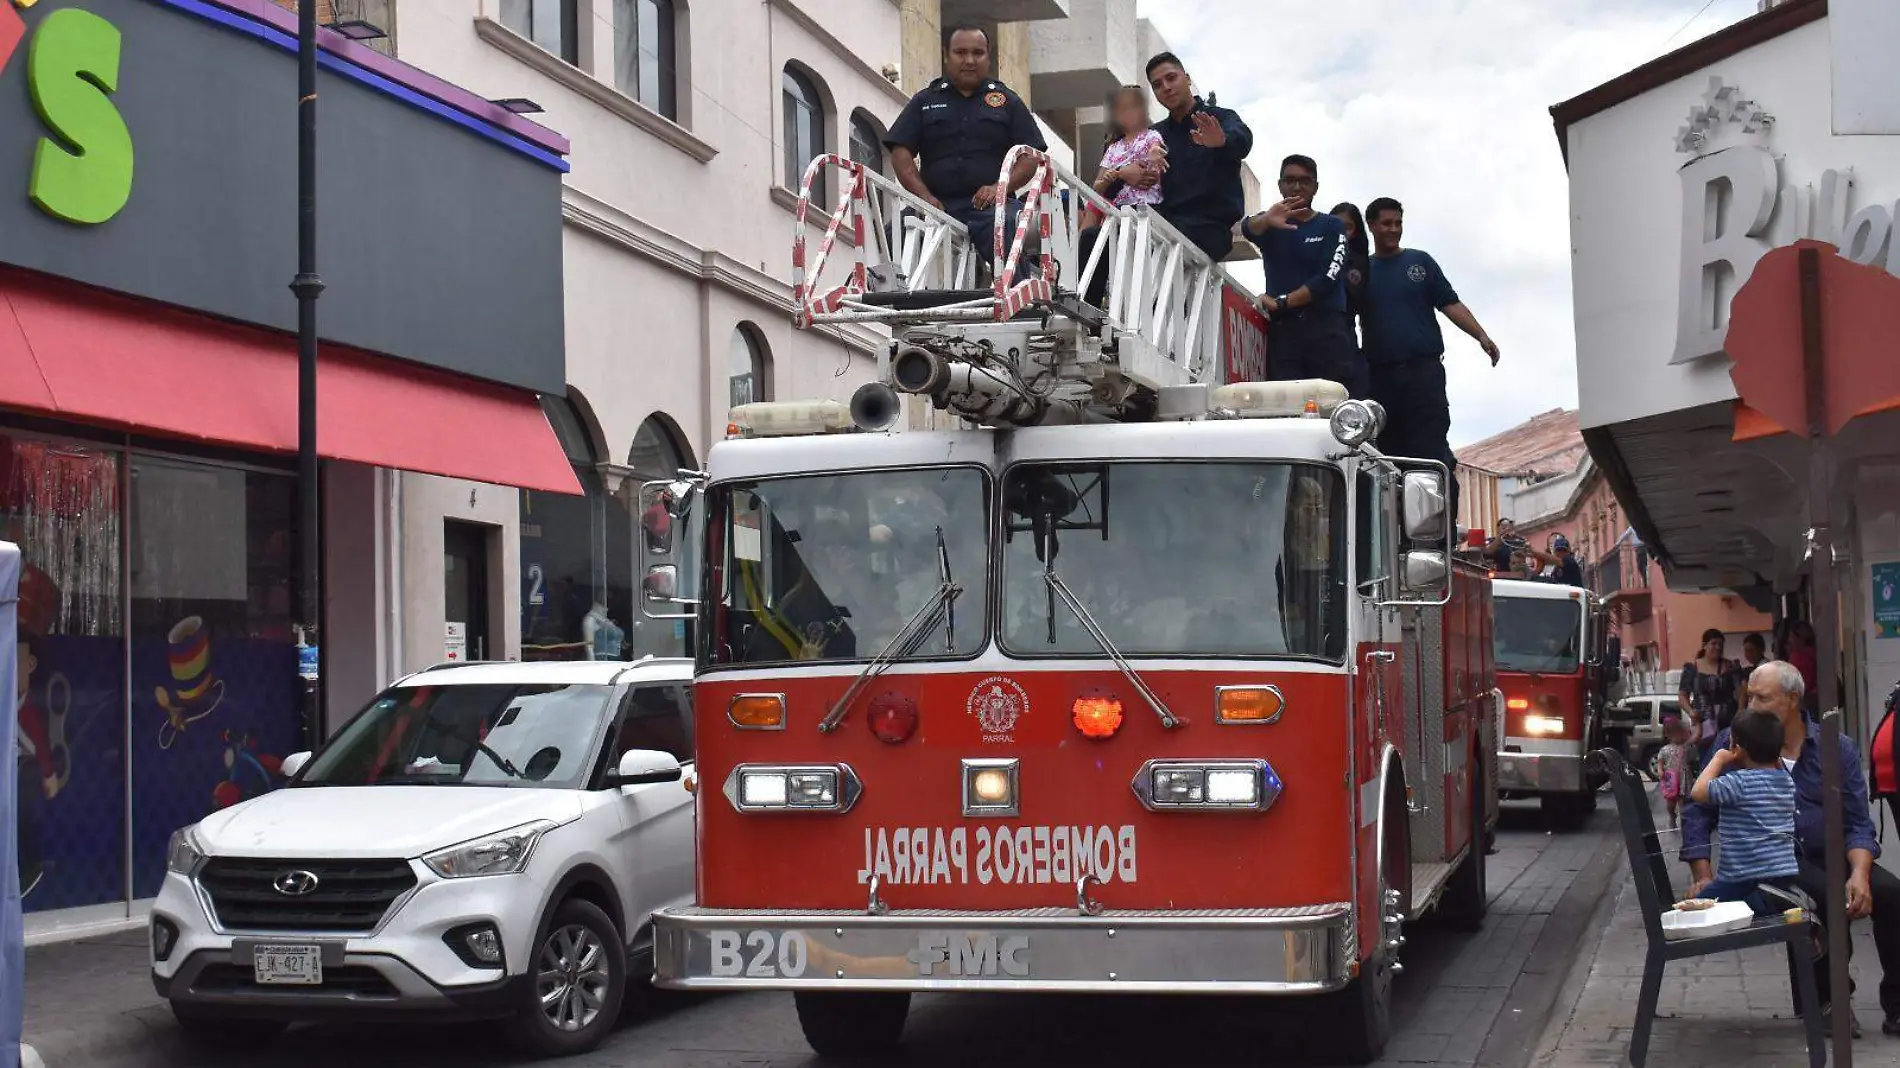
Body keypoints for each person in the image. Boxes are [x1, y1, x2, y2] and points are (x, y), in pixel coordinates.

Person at [1683, 661, 1897, 1036]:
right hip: (1776, 860)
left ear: (1793, 699)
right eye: (1749, 696)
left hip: (1833, 853)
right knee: (1824, 895)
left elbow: (1858, 823)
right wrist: (1703, 873)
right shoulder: (1737, 742)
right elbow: (1698, 810)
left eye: (1761, 697)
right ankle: (1830, 1003)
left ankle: (1897, 1006)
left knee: (1891, 894)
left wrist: (1860, 874)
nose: (1750, 705)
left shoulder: (1836, 748)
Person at [1361, 197, 1499, 517]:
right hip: (1380, 378)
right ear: (1372, 226)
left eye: (1398, 223)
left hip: (1424, 374)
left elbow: (1450, 304)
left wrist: (1481, 335)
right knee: (1390, 458)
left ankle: (1442, 532)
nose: (1394, 229)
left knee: (1431, 452)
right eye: (1386, 223)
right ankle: (1397, 531)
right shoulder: (1362, 271)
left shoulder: (1420, 263)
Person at [885, 25, 1046, 266]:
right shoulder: (925, 100)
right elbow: (900, 152)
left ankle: (1016, 299)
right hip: (937, 204)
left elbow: (1031, 156)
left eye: (977, 53)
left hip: (992, 206)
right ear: (946, 55)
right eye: (960, 52)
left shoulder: (1007, 101)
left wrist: (998, 188)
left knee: (1003, 230)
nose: (969, 60)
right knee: (890, 235)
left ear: (988, 56)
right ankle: (886, 300)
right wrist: (924, 197)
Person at [1245, 156, 1365, 398]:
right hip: (1284, 332)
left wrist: (1282, 301)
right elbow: (1243, 229)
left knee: (1330, 409)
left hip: (1326, 331)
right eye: (1289, 180)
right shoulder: (1270, 223)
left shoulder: (1332, 226)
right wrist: (1267, 219)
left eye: (1304, 181)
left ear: (1315, 186)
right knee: (1286, 408)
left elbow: (1327, 277)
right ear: (1280, 185)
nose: (1297, 187)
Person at [1135, 52, 1254, 264]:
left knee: (1154, 233)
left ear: (1187, 79)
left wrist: (1222, 141)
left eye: (1171, 78)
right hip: (1163, 224)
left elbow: (1243, 140)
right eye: (1157, 85)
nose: (1166, 87)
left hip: (1210, 229)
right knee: (1098, 234)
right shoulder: (1154, 135)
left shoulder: (1219, 118)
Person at [1688, 709, 1800, 915]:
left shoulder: (1738, 783)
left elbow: (1698, 792)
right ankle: (1773, 897)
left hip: (1742, 876)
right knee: (1742, 894)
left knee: (1698, 906)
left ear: (1737, 749)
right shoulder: (1785, 780)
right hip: (1783, 871)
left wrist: (1719, 759)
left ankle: (1761, 901)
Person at [1076, 85, 1169, 309]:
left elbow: (1157, 149)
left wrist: (1156, 154)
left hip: (1146, 212)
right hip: (1117, 215)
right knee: (1090, 237)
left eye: (1134, 107)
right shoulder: (1113, 149)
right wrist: (1115, 176)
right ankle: (1088, 303)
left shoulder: (1151, 136)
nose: (1128, 113)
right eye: (1122, 109)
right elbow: (1096, 188)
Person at [1678, 629, 1736, 764]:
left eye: (1721, 644)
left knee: (1729, 761)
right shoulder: (1692, 668)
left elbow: (1741, 691)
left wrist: (1740, 713)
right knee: (1707, 761)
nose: (1718, 647)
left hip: (1728, 722)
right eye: (1714, 643)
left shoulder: (1730, 667)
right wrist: (1691, 712)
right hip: (1704, 725)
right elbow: (1682, 696)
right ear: (1704, 645)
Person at [1656, 716, 1697, 829]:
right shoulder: (1664, 749)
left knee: (1683, 802)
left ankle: (1684, 821)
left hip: (1684, 778)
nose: (1679, 736)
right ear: (1668, 735)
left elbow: (1693, 757)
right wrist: (1660, 771)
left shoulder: (1686, 747)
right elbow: (1660, 762)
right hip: (1671, 780)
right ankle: (1672, 815)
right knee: (1670, 803)